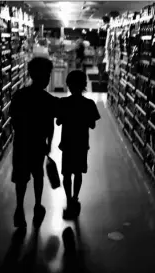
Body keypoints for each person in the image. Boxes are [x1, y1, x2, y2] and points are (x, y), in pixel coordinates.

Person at [10, 57, 58, 228]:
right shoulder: (48, 99)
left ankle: (19, 208)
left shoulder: (20, 95)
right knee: (38, 175)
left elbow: (14, 120)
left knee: (21, 178)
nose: (47, 78)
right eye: (47, 75)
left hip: (21, 143)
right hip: (38, 145)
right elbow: (50, 125)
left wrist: (22, 134)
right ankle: (38, 205)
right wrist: (49, 144)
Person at [56, 70, 101, 219]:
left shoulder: (64, 103)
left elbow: (58, 121)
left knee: (67, 173)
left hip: (67, 144)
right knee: (78, 172)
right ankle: (75, 197)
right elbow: (93, 125)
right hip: (81, 144)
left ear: (68, 85)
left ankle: (69, 198)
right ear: (84, 85)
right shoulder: (89, 104)